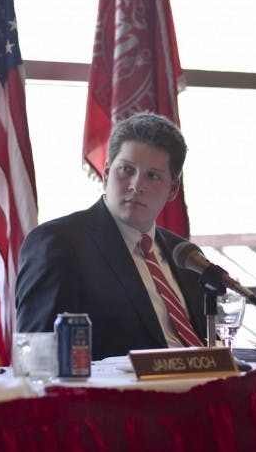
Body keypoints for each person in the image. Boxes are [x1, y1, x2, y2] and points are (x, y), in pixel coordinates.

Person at [15, 112, 206, 360]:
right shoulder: (59, 243)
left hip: (203, 389)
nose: (136, 185)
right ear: (106, 173)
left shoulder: (184, 254)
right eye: (126, 170)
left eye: (153, 176)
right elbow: (37, 358)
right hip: (117, 394)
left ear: (172, 189)